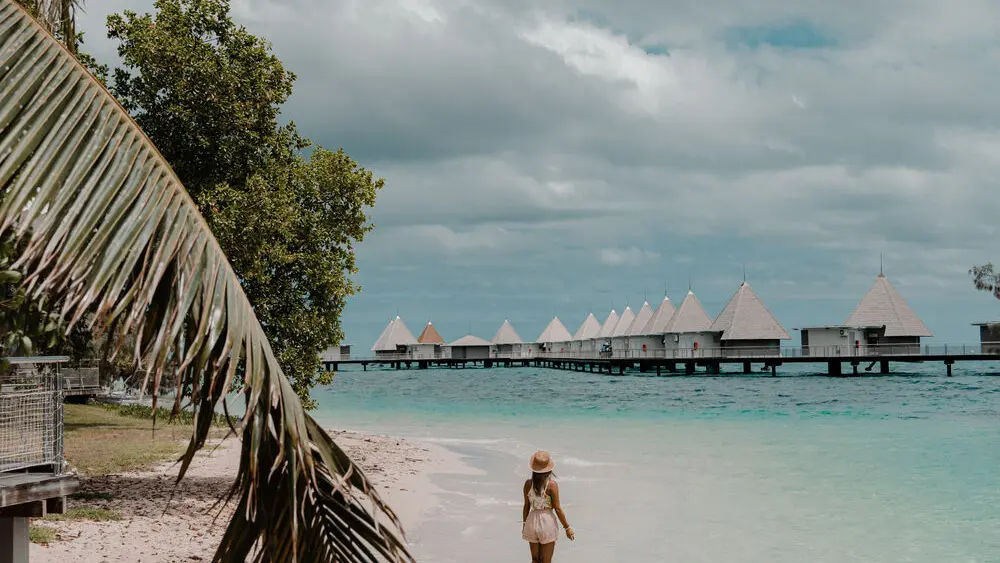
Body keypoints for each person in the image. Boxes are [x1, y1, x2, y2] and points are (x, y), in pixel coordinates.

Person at [522, 450, 574, 563]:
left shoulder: (527, 484)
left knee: (535, 560)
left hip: (531, 521)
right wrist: (567, 528)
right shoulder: (551, 485)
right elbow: (558, 508)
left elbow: (526, 506)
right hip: (546, 522)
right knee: (546, 561)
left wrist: (524, 524)